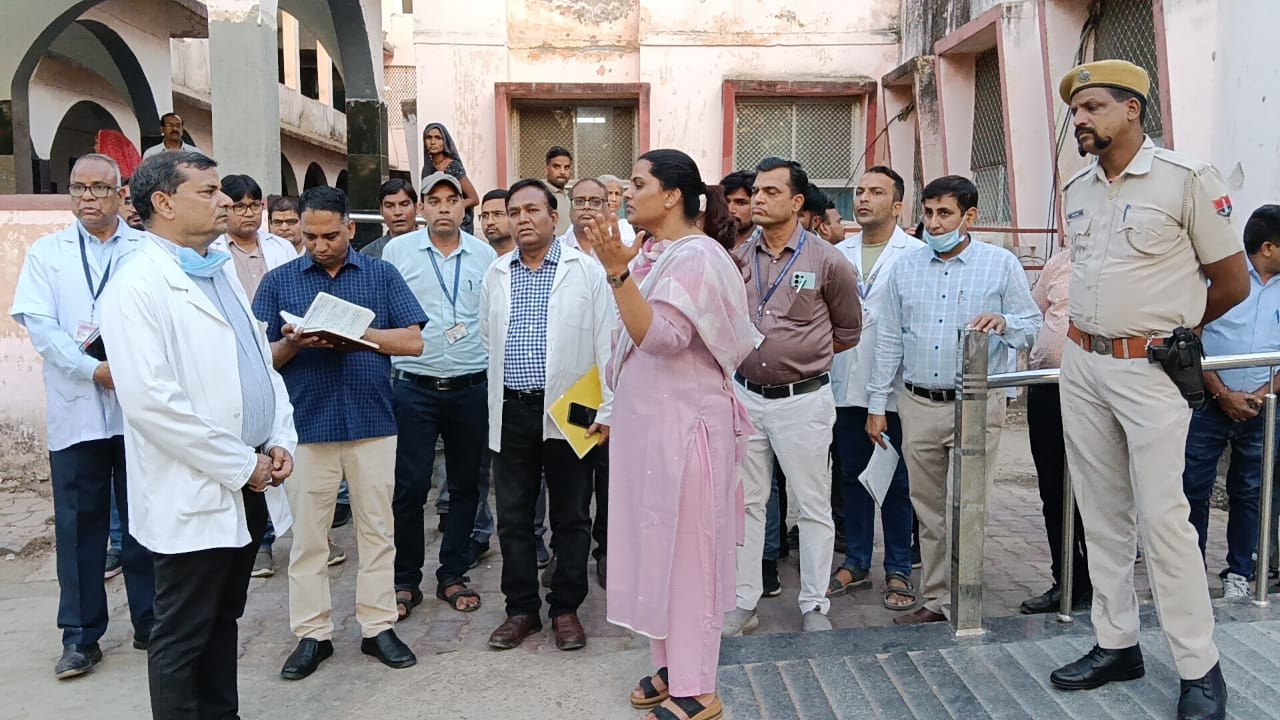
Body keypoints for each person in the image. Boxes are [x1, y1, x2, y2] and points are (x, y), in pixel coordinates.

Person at [1049, 61, 1250, 720]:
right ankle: (1117, 644)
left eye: (1093, 107)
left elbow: (1231, 281)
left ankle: (1199, 667)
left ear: (1132, 109)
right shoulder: (1078, 186)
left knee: (1165, 520)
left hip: (1151, 369)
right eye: (1076, 110)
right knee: (1101, 514)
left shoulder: (1186, 179)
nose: (1080, 119)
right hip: (1083, 363)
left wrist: (1178, 332)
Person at [97, 150, 294, 718]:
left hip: (249, 476)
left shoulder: (215, 269)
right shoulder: (137, 285)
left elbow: (258, 363)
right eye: (208, 192)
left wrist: (278, 437)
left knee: (223, 617)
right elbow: (152, 404)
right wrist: (242, 464)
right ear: (163, 203)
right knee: (182, 631)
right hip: (198, 487)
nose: (224, 201)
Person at [582, 148, 753, 720]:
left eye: (638, 184)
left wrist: (616, 272)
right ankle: (670, 666)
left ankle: (697, 687)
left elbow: (661, 339)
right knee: (655, 548)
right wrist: (624, 268)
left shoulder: (697, 256)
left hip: (687, 431)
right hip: (649, 429)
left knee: (689, 558)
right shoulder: (656, 252)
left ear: (673, 195)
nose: (627, 195)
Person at [253, 186, 427, 680]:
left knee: (377, 530)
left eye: (330, 235)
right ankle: (313, 634)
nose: (319, 245)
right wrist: (294, 342)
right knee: (309, 538)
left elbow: (413, 341)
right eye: (310, 236)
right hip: (306, 426)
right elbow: (259, 359)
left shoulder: (380, 274)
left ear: (350, 228)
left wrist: (360, 336)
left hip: (372, 422)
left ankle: (378, 627)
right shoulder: (279, 281)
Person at [868, 174, 1040, 626]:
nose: (934, 223)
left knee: (968, 506)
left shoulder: (1000, 265)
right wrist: (876, 405)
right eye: (927, 213)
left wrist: (1004, 322)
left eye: (944, 213)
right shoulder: (906, 267)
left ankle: (967, 599)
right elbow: (889, 339)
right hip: (919, 403)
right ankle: (937, 599)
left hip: (976, 404)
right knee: (928, 509)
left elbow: (1032, 324)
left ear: (970, 216)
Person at [10, 153, 155, 679]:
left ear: (121, 194)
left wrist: (129, 368)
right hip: (77, 412)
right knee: (78, 528)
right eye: (78, 188)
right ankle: (79, 635)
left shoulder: (147, 251)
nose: (87, 197)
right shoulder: (48, 254)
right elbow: (41, 328)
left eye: (99, 188)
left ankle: (151, 622)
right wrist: (93, 370)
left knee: (144, 520)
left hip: (139, 411)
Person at [725, 157, 862, 636]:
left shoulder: (828, 261)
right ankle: (744, 603)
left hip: (802, 400)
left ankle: (815, 605)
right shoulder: (739, 257)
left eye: (771, 192)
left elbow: (848, 331)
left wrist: (800, 357)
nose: (758, 200)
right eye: (756, 192)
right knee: (748, 502)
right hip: (746, 397)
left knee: (811, 504)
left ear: (797, 202)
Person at [479, 178, 614, 652]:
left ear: (553, 217)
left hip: (571, 408)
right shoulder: (497, 272)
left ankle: (565, 609)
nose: (522, 219)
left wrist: (608, 408)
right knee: (513, 516)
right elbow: (488, 337)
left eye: (532, 210)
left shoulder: (586, 271)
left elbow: (606, 341)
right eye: (514, 211)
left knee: (571, 514)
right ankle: (521, 610)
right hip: (512, 407)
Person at [382, 172, 497, 619]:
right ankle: (405, 580)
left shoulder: (484, 255)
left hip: (470, 385)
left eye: (453, 199)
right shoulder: (398, 252)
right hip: (415, 385)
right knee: (409, 488)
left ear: (464, 208)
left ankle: (453, 573)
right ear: (422, 208)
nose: (444, 207)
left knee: (467, 486)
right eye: (435, 200)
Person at [208, 175, 315, 578]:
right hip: (235, 359)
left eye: (255, 205)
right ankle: (262, 543)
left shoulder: (280, 248)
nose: (248, 213)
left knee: (283, 443)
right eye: (239, 206)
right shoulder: (215, 252)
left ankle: (307, 533)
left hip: (284, 348)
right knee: (249, 445)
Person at [827, 166, 923, 611]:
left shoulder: (916, 254)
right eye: (860, 191)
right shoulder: (836, 254)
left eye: (876, 192)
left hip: (896, 390)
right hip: (845, 383)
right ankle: (857, 561)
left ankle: (899, 566)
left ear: (898, 205)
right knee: (851, 477)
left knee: (896, 481)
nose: (863, 198)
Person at [1183, 204, 1280, 600]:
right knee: (1193, 487)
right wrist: (1222, 394)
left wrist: (1262, 394)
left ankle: (1241, 572)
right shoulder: (1222, 278)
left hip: (1264, 407)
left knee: (1252, 491)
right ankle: (1187, 575)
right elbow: (1191, 334)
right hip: (1208, 404)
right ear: (1269, 248)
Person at [1020, 249, 1092, 614]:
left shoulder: (1121, 260)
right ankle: (1067, 580)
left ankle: (1102, 583)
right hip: (1047, 389)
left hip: (1093, 392)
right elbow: (1033, 313)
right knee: (1053, 489)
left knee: (1095, 492)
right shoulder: (1060, 262)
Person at [422, 123, 479, 235]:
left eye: (438, 138)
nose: (433, 142)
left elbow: (474, 199)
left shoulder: (453, 166)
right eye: (429, 138)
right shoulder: (427, 168)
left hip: (458, 224)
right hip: (435, 222)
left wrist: (451, 206)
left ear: (445, 141)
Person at [362, 178, 420, 259]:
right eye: (389, 206)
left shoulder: (433, 246)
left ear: (416, 208)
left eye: (404, 204)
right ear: (381, 210)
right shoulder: (368, 255)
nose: (397, 212)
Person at [596, 174, 638, 245]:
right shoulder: (586, 223)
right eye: (609, 193)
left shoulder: (625, 226)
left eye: (617, 194)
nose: (614, 199)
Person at [720, 170, 756, 248]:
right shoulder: (709, 241)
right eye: (726, 201)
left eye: (740, 203)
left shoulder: (766, 243)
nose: (730, 209)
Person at [545, 146, 574, 236]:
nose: (562, 172)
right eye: (557, 167)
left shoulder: (568, 196)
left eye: (566, 167)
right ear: (546, 170)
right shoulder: (541, 196)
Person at [480, 188, 515, 255]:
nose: (489, 222)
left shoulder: (529, 256)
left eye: (497, 214)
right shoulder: (475, 257)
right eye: (485, 216)